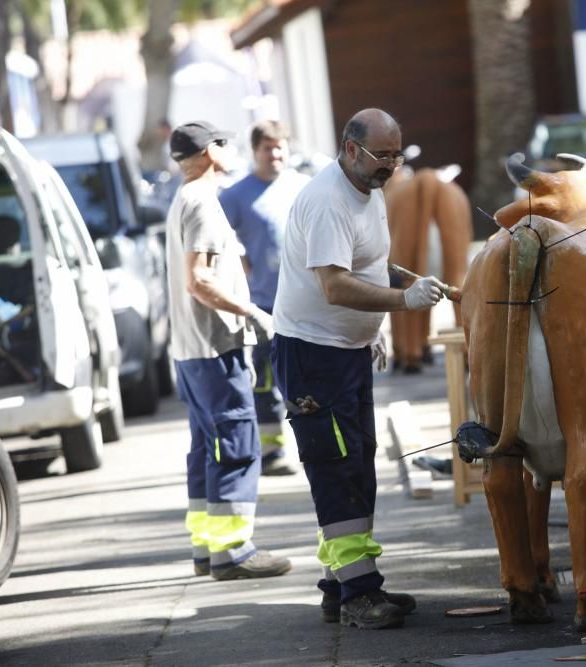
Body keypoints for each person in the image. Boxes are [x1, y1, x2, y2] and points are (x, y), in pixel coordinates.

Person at [271, 108, 446, 629]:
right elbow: (334, 284)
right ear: (350, 149)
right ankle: (359, 596)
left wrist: (375, 331)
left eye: (397, 154)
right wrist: (402, 302)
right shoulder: (328, 200)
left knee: (358, 461)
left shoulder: (367, 191)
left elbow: (366, 264)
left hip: (344, 351)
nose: (390, 166)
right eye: (381, 156)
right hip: (313, 355)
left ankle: (343, 583)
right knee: (337, 468)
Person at [165, 120, 293, 581]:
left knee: (206, 448)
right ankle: (234, 550)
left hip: (192, 350)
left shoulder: (184, 199)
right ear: (210, 152)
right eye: (225, 143)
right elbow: (199, 280)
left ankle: (206, 546)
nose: (231, 150)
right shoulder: (201, 202)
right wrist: (252, 312)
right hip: (215, 346)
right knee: (236, 445)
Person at [219, 120, 311, 476]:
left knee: (306, 376)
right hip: (263, 305)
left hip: (304, 300)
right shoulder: (236, 195)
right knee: (266, 381)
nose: (274, 154)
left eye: (280, 147)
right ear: (254, 151)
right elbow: (219, 242)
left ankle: (312, 444)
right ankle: (272, 453)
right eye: (267, 148)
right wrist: (241, 265)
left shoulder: (303, 188)